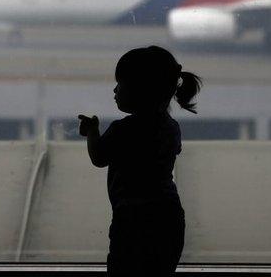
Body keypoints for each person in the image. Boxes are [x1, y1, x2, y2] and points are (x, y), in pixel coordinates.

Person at [78, 45, 201, 276]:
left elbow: (98, 157)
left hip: (132, 220)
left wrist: (92, 131)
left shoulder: (123, 130)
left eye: (121, 84)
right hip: (169, 217)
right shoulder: (171, 127)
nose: (115, 90)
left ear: (142, 90)